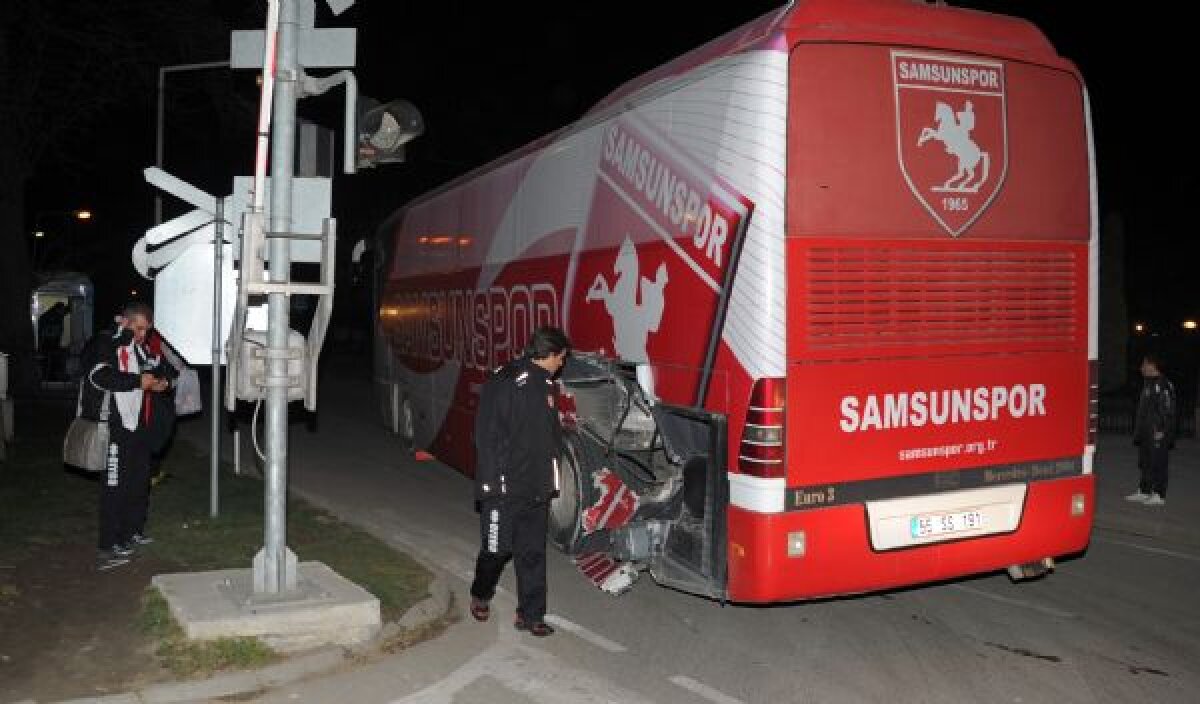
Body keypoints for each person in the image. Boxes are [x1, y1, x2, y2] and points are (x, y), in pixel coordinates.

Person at [468, 326, 570, 637]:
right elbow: (485, 436)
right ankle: (481, 594)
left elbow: (548, 438)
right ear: (550, 355)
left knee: (532, 553)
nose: (562, 364)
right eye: (561, 358)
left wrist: (551, 480)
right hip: (503, 488)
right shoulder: (505, 382)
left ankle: (531, 615)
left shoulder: (547, 386)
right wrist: (491, 484)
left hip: (535, 488)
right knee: (497, 550)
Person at [81, 302, 170, 570]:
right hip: (114, 425)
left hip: (136, 425)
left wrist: (158, 382)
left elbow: (154, 369)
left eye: (147, 330)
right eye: (139, 328)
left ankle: (132, 531)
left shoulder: (138, 348)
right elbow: (100, 377)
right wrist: (137, 382)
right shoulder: (105, 342)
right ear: (125, 322)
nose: (143, 335)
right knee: (114, 487)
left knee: (138, 481)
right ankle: (108, 547)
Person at [1127, 353, 1176, 507]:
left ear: (1152, 366)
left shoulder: (1163, 385)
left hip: (1157, 432)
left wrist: (1161, 429)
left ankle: (1159, 494)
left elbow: (1167, 409)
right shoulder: (1148, 383)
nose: (1141, 367)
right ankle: (1144, 491)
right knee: (1146, 462)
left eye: (1144, 364)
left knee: (1158, 463)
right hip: (1146, 432)